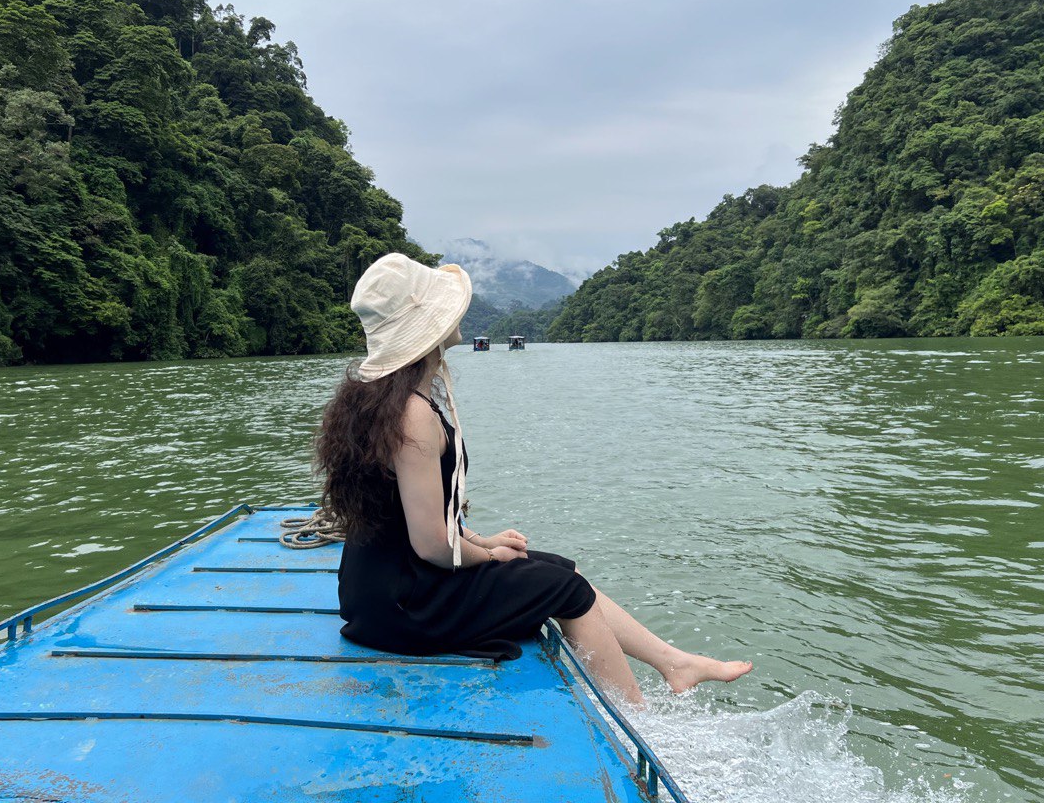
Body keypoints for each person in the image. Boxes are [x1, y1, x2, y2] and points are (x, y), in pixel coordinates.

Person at [316, 253, 752, 706]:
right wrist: (488, 557)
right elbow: (430, 544)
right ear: (427, 331)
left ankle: (672, 662)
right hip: (404, 605)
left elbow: (414, 516)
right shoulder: (412, 414)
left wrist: (485, 542)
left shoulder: (384, 401)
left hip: (378, 589)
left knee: (560, 568)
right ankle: (637, 723)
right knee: (566, 589)